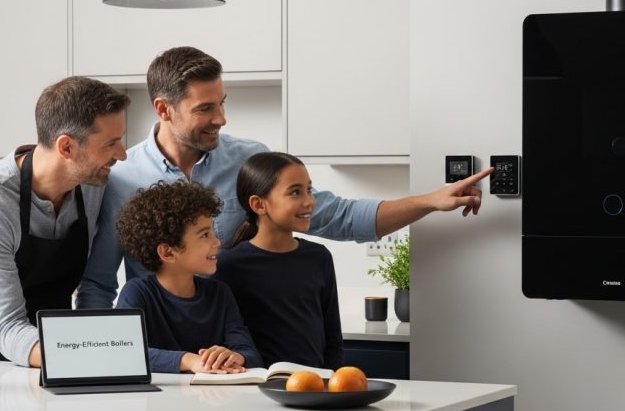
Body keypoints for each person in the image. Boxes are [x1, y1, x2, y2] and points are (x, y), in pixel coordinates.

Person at [76, 46, 492, 309]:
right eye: (205, 109)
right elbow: (97, 286)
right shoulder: (120, 176)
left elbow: (338, 216)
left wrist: (431, 201)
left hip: (245, 349)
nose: (220, 118)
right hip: (163, 352)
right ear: (164, 109)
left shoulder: (250, 160)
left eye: (221, 103)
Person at [0, 77, 130, 366]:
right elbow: (6, 327)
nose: (122, 154)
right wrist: (85, 359)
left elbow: (94, 284)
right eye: (111, 144)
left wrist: (96, 342)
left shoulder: (93, 185)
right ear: (66, 147)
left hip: (49, 355)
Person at [114, 180, 262, 374]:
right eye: (204, 235)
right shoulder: (138, 292)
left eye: (212, 231)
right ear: (167, 252)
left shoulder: (220, 294)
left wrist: (235, 356)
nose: (216, 241)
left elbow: (250, 354)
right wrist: (189, 360)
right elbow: (124, 352)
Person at [214, 152, 343, 370]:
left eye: (308, 190)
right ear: (258, 204)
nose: (309, 201)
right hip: (255, 388)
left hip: (313, 385)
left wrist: (332, 382)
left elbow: (333, 338)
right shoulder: (228, 266)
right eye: (295, 192)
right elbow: (225, 337)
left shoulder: (319, 257)